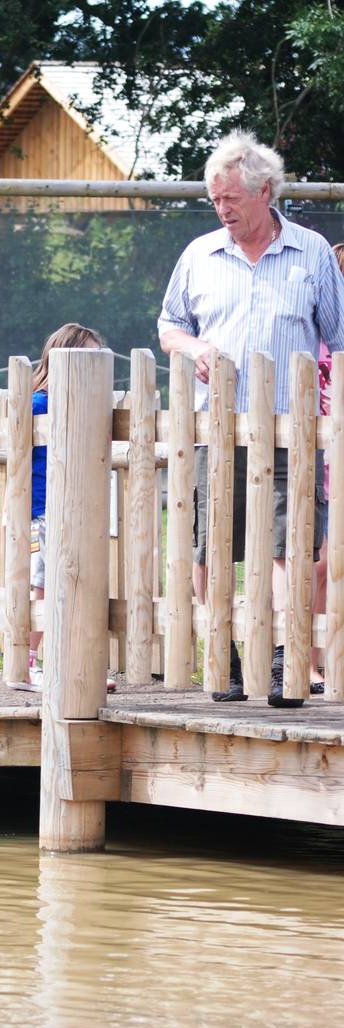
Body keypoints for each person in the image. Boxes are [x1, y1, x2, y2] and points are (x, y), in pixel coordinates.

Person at [159, 129, 344, 707]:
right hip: (216, 430)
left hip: (292, 430)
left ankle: (285, 662)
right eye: (214, 200)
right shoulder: (199, 254)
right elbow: (168, 327)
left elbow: (339, 337)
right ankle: (230, 658)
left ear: (266, 192)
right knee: (210, 547)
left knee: (289, 544)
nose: (222, 210)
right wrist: (195, 350)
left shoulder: (312, 252)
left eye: (231, 199)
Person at [12, 323, 116, 694]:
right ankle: (28, 664)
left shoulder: (86, 404)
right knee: (43, 585)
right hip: (42, 512)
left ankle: (71, 663)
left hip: (75, 510)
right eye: (82, 357)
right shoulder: (39, 403)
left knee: (76, 585)